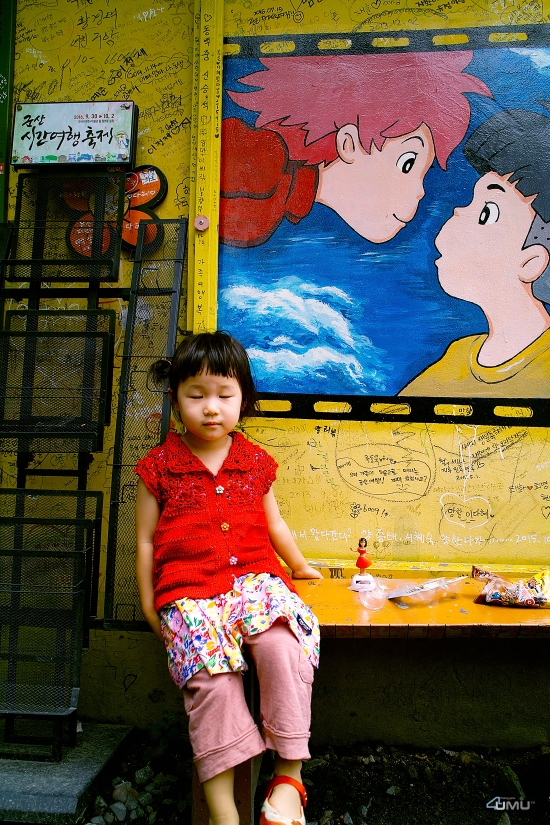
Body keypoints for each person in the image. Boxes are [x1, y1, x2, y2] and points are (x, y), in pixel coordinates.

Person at [135, 331, 322, 825]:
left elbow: (275, 524)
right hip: (189, 591)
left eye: (224, 394)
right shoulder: (159, 468)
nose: (211, 408)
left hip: (257, 581)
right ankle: (224, 814)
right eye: (196, 395)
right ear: (176, 399)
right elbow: (146, 541)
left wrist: (300, 565)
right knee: (212, 681)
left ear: (244, 400)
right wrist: (150, 603)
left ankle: (288, 778)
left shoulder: (254, 462)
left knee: (284, 646)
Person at [220, 52, 491, 247]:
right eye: (407, 164)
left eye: (422, 173)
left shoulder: (273, 191)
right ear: (348, 143)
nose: (421, 191)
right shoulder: (256, 174)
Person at [399, 105, 550, 398]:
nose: (458, 212)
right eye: (472, 200)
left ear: (531, 262)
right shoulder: (456, 358)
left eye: (486, 212)